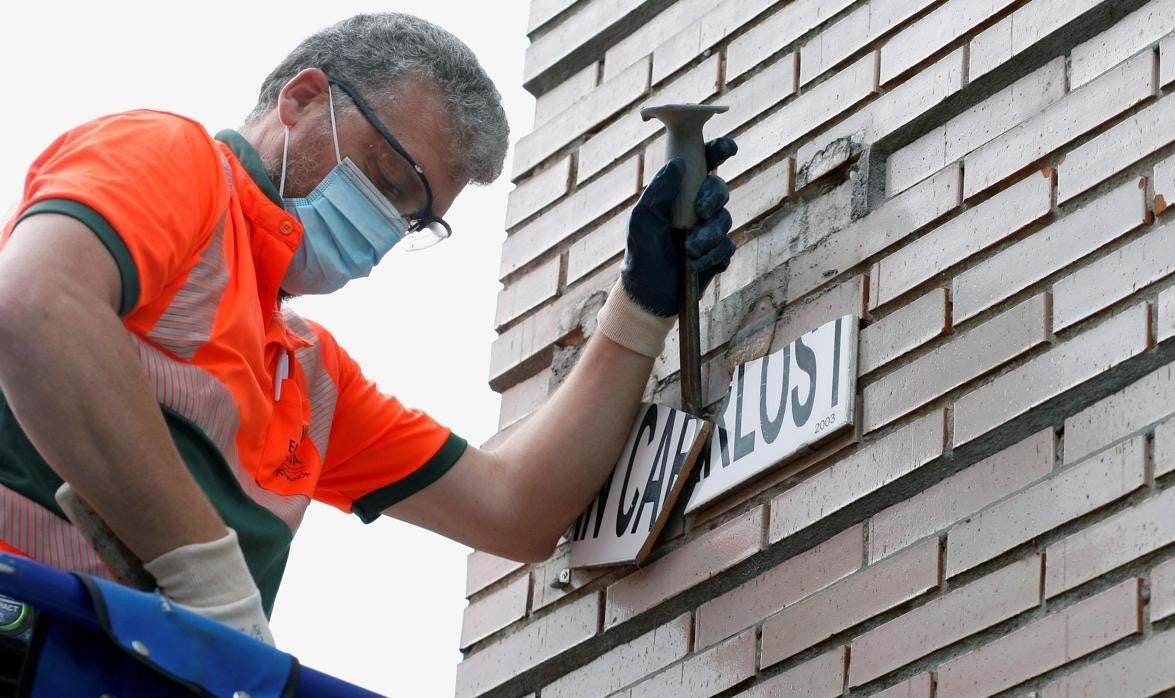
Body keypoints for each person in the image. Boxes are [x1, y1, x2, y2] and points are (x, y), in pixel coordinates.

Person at [0, 12, 734, 650]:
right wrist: (206, 572)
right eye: (386, 179)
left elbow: (517, 510)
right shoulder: (175, 162)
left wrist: (640, 306)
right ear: (303, 99)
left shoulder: (306, 378)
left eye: (415, 218)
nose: (386, 226)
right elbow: (35, 304)